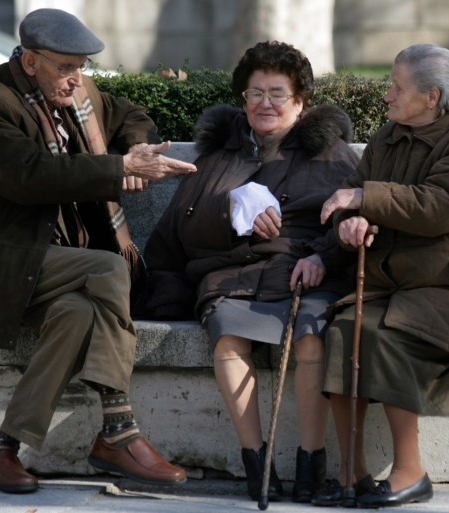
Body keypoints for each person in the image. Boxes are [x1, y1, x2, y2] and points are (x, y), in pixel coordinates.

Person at [0, 8, 197, 494]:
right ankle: (118, 430)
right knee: (109, 268)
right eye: (65, 67)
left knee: (75, 312)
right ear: (30, 62)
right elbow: (29, 178)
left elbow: (131, 115)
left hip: (47, 264)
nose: (76, 79)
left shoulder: (75, 94)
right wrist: (116, 168)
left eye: (81, 67)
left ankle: (3, 449)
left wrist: (136, 153)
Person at [140, 41, 360, 503]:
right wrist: (231, 212)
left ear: (300, 102)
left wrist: (322, 256)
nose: (265, 103)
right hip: (231, 275)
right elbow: (180, 228)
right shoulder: (220, 156)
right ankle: (255, 461)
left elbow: (348, 220)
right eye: (255, 92)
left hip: (305, 272)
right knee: (227, 336)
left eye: (278, 93)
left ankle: (310, 460)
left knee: (311, 334)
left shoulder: (332, 155)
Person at [317, 43, 449, 509]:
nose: (387, 95)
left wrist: (365, 200)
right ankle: (352, 471)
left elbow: (440, 208)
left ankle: (411, 471)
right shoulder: (388, 138)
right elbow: (351, 200)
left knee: (384, 336)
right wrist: (350, 226)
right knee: (343, 332)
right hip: (395, 283)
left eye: (396, 86)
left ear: (431, 96)